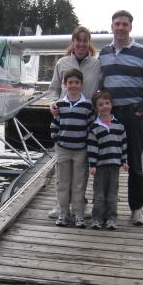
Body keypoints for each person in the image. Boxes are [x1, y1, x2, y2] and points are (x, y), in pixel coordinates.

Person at [99, 10, 143, 226]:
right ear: (112, 27)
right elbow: (99, 85)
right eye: (117, 24)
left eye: (125, 24)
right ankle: (107, 207)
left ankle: (137, 208)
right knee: (107, 162)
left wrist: (139, 111)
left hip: (133, 115)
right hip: (110, 116)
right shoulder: (104, 53)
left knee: (135, 163)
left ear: (130, 27)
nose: (121, 28)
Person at [48, 26, 101, 219]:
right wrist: (53, 103)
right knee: (62, 171)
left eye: (85, 40)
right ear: (73, 42)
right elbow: (54, 88)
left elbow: (100, 90)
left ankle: (81, 205)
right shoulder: (62, 62)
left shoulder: (96, 64)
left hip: (85, 120)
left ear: (89, 43)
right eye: (78, 40)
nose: (81, 44)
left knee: (81, 172)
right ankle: (60, 206)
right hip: (65, 119)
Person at [49, 68, 93, 228]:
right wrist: (57, 139)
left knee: (78, 183)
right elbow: (55, 124)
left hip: (81, 150)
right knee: (63, 182)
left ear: (81, 85)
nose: (73, 85)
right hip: (63, 149)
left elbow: (90, 127)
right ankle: (63, 212)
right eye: (70, 83)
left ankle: (78, 213)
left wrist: (88, 145)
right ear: (65, 85)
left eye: (76, 82)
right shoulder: (59, 104)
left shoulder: (87, 105)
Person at [87, 90, 128, 230]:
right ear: (96, 108)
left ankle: (111, 218)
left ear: (111, 104)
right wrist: (92, 164)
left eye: (107, 103)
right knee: (98, 194)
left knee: (112, 194)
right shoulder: (94, 127)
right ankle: (97, 218)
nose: (105, 106)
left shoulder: (119, 126)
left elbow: (123, 145)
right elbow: (92, 148)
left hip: (115, 166)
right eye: (100, 104)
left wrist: (124, 161)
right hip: (100, 167)